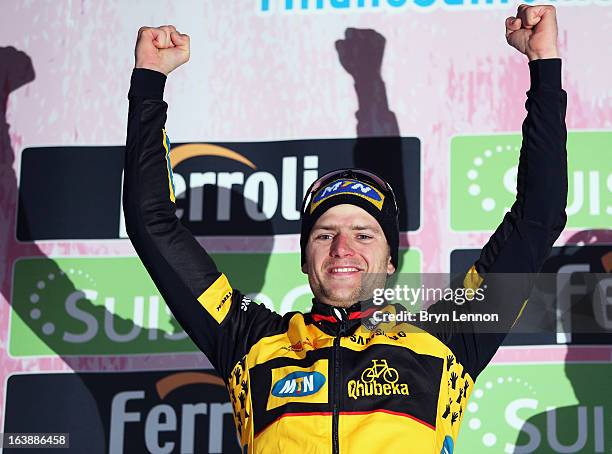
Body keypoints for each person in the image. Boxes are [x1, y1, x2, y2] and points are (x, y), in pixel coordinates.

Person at [124, 5, 567, 453]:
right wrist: (149, 81)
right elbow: (151, 223)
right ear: (303, 259)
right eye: (323, 234)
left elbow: (538, 218)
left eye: (364, 233)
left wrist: (543, 65)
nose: (342, 247)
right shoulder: (248, 341)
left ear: (391, 259)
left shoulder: (446, 340)